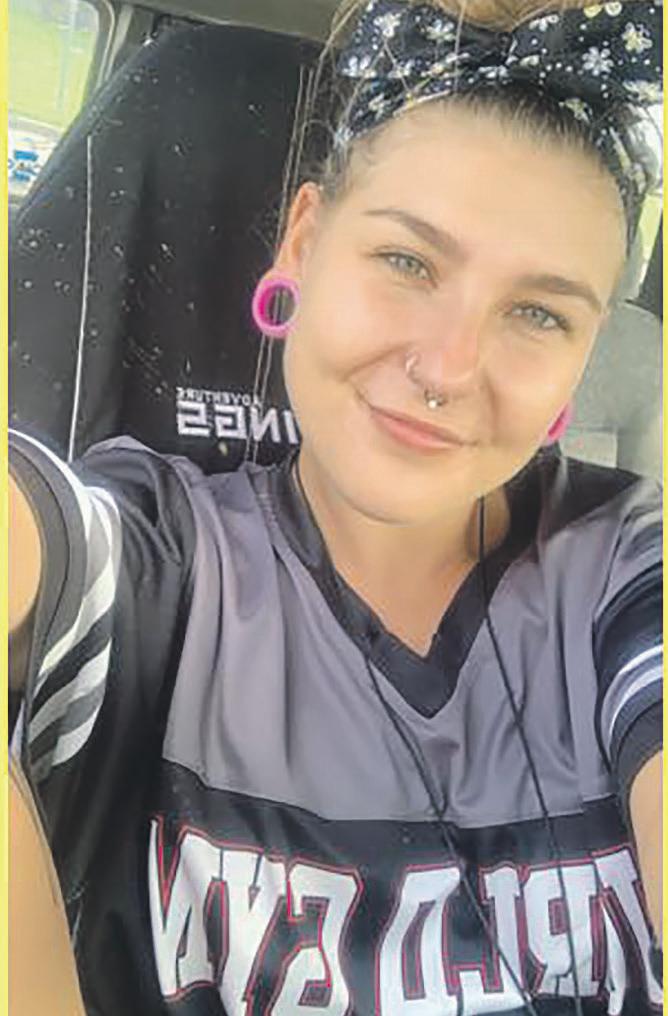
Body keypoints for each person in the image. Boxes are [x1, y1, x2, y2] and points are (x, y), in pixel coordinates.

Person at [8, 0, 662, 1013]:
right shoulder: (155, 567)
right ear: (303, 243)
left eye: (537, 313)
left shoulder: (621, 564)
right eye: (407, 262)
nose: (447, 368)